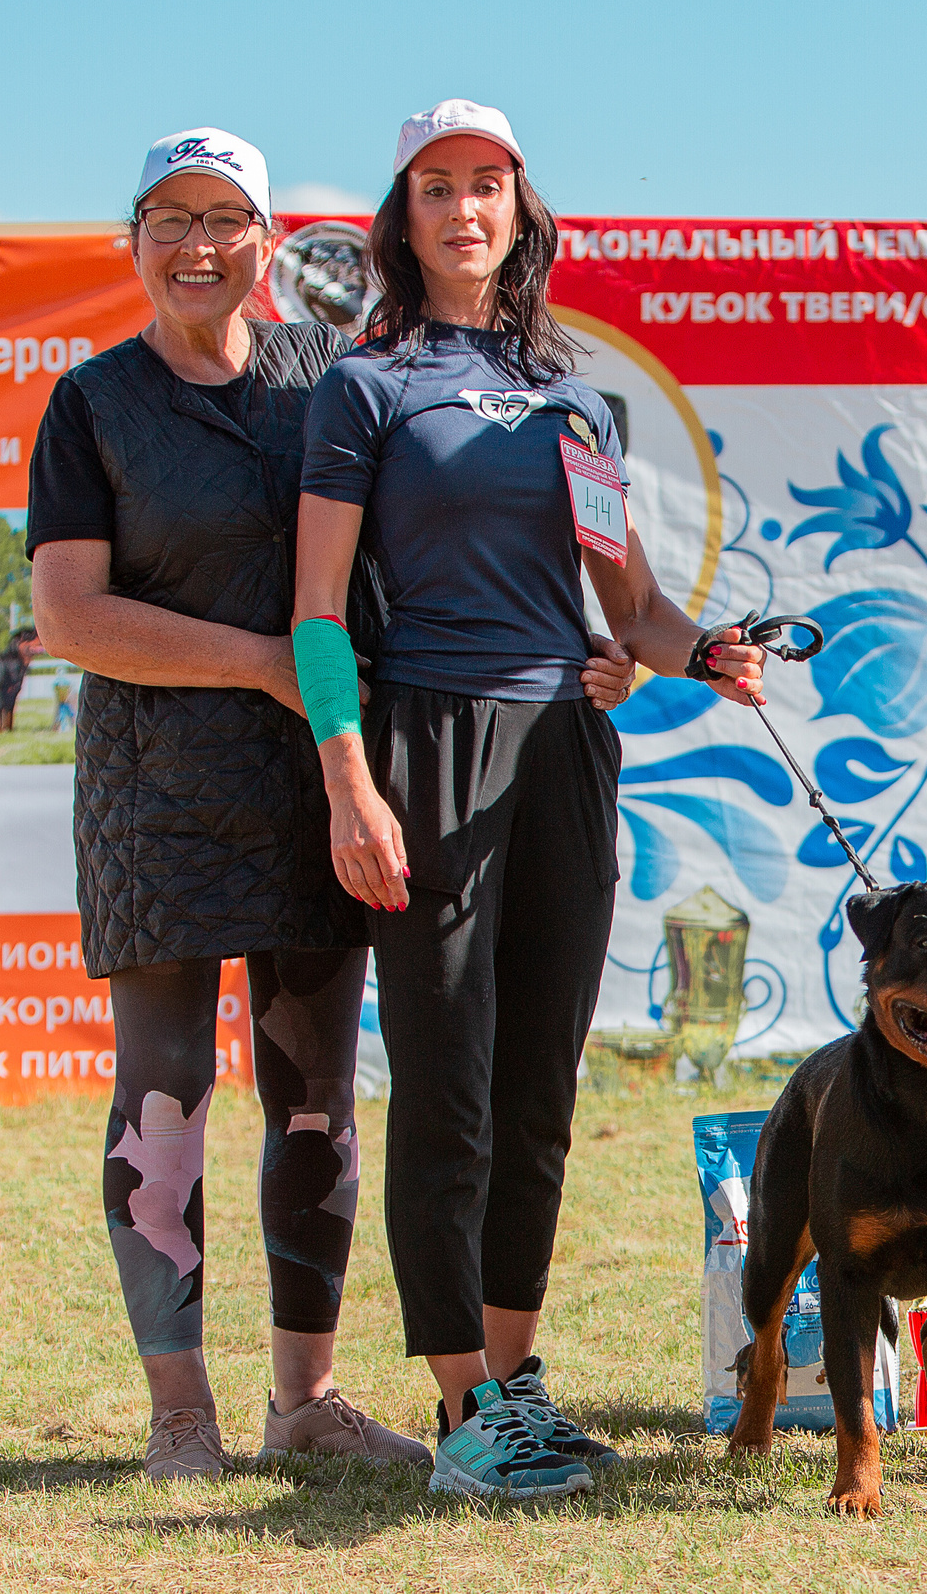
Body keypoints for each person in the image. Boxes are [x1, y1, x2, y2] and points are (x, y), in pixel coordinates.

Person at [28, 126, 633, 1483]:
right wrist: (262, 665)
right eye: (169, 220)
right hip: (162, 796)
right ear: (132, 240)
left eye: (226, 220)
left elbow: (442, 538)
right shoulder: (92, 400)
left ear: (267, 243)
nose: (198, 245)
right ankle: (180, 1403)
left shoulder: (328, 376)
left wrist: (610, 638)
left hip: (330, 789)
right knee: (167, 1096)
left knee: (317, 1103)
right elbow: (69, 614)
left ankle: (303, 1396)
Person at [292, 99, 767, 1501]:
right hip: (427, 744)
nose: (463, 209)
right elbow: (318, 612)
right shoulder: (365, 385)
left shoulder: (572, 396)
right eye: (436, 187)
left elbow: (633, 606)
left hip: (566, 742)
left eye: (487, 185)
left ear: (520, 209)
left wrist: (708, 652)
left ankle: (516, 1380)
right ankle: (460, 1414)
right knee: (449, 1086)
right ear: (404, 216)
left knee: (538, 1088)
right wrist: (349, 781)